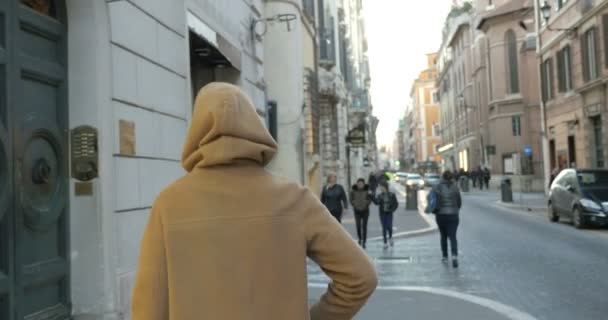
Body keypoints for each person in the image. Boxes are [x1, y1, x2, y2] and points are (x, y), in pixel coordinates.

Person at [131, 83, 377, 320]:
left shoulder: (169, 204)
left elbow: (149, 307)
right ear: (255, 128)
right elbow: (361, 277)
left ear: (197, 131)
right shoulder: (295, 198)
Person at [433, 170, 462, 268]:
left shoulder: (438, 186)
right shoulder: (455, 187)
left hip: (441, 215)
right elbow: (459, 201)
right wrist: (455, 209)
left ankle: (445, 256)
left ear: (443, 177)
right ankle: (454, 256)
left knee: (443, 236)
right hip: (453, 214)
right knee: (453, 236)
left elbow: (434, 200)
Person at [374, 181, 399, 249]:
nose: (380, 188)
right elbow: (376, 203)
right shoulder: (380, 195)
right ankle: (385, 242)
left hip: (389, 213)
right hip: (382, 213)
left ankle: (390, 237)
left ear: (384, 187)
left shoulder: (391, 195)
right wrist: (372, 197)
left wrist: (392, 209)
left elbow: (396, 204)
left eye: (380, 186)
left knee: (389, 227)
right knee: (384, 228)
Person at [350, 178, 373, 248]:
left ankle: (364, 241)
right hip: (357, 211)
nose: (360, 185)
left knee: (364, 227)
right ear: (357, 184)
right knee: (358, 226)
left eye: (361, 184)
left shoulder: (367, 190)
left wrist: (366, 204)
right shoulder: (353, 191)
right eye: (359, 184)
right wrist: (354, 204)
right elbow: (351, 199)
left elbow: (370, 199)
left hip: (365, 211)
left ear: (363, 184)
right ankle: (360, 239)